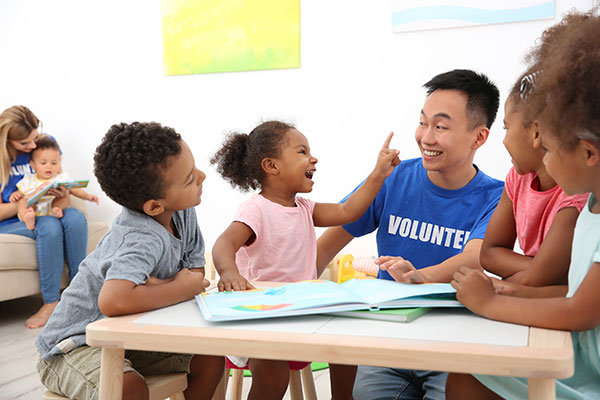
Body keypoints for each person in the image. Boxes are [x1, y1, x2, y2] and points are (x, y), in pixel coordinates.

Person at [316, 69, 504, 400]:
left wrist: (419, 277)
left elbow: (475, 256)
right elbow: (326, 244)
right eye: (423, 122)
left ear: (479, 137)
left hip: (453, 345)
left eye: (441, 126)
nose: (426, 137)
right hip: (389, 341)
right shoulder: (394, 178)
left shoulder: (496, 197)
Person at [447, 9, 600, 399]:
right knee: (464, 375)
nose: (543, 157)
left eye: (549, 147)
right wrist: (513, 293)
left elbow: (579, 312)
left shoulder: (582, 207)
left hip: (586, 374)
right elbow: (574, 294)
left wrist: (490, 303)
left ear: (587, 153)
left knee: (467, 377)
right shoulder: (592, 208)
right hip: (577, 357)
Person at [210, 120, 400, 400]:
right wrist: (228, 272)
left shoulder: (304, 208)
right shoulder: (256, 210)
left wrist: (378, 174)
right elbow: (224, 243)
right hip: (259, 318)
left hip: (299, 313)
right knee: (273, 372)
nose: (313, 158)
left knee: (346, 343)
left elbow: (348, 211)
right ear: (271, 166)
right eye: (302, 152)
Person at [35, 121, 225, 400]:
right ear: (154, 206)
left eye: (194, 168)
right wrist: (179, 287)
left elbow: (195, 275)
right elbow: (114, 301)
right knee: (128, 387)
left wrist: (165, 286)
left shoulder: (182, 211)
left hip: (129, 339)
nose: (202, 176)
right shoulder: (139, 236)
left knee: (209, 358)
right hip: (73, 347)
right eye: (189, 178)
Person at [479, 71, 588, 287]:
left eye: (506, 127)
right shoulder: (517, 179)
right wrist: (541, 269)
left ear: (536, 133)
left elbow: (546, 280)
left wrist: (500, 284)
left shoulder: (577, 195)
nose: (504, 140)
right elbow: (490, 254)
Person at [0, 105, 88, 329]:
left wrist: (62, 194)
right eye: (24, 143)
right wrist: (24, 202)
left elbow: (62, 198)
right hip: (14, 221)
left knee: (74, 217)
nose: (32, 146)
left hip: (46, 211)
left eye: (35, 137)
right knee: (49, 224)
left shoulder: (42, 149)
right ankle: (50, 302)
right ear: (6, 140)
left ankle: (80, 297)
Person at [10, 134, 99, 230]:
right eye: (43, 163)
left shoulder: (61, 178)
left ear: (59, 163)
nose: (49, 166)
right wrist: (16, 195)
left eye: (54, 163)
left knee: (64, 196)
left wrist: (88, 196)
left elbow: (75, 188)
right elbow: (20, 192)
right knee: (22, 201)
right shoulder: (29, 179)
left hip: (52, 207)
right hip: (34, 210)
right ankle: (27, 218)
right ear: (33, 165)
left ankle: (56, 210)